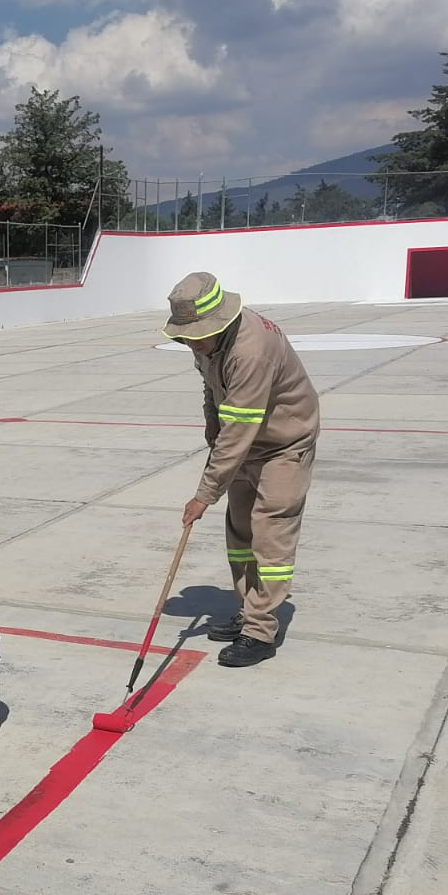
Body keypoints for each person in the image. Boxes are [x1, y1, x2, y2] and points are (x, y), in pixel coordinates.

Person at [164, 272, 320, 668]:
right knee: (240, 534)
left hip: (284, 445)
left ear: (222, 320)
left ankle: (260, 631)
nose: (193, 343)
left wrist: (205, 494)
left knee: (270, 536)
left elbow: (239, 430)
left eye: (198, 334)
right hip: (245, 444)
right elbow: (213, 392)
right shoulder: (206, 341)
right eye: (187, 336)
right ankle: (248, 608)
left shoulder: (252, 350)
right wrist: (210, 429)